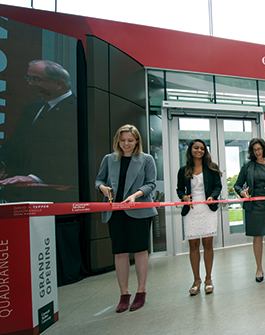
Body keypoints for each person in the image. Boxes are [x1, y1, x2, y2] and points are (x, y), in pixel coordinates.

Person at [95, 124, 156, 313]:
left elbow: (151, 183)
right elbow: (99, 180)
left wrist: (136, 196)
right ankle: (124, 294)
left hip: (138, 211)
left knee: (139, 251)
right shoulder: (108, 159)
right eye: (122, 140)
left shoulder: (146, 159)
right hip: (115, 212)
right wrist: (102, 188)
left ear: (137, 140)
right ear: (117, 141)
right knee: (119, 252)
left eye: (130, 140)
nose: (126, 144)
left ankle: (141, 291)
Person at [0, 60, 77, 199]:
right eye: (29, 78)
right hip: (19, 190)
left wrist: (36, 177)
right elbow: (16, 142)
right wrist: (2, 163)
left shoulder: (78, 110)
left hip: (53, 194)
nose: (30, 84)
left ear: (59, 84)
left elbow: (69, 156)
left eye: (36, 80)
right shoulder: (33, 107)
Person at [176, 139, 222, 295]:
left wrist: (213, 197)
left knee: (208, 243)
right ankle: (196, 279)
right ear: (190, 150)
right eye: (196, 148)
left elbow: (218, 187)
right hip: (191, 210)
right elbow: (179, 190)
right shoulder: (183, 170)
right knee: (193, 245)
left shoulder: (211, 168)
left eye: (202, 148)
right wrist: (183, 197)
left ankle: (209, 278)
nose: (199, 150)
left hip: (207, 209)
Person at [234, 138, 265, 282]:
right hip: (254, 207)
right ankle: (259, 269)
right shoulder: (247, 166)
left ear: (264, 149)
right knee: (257, 237)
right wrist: (242, 192)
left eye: (259, 149)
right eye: (254, 150)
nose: (257, 152)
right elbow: (237, 185)